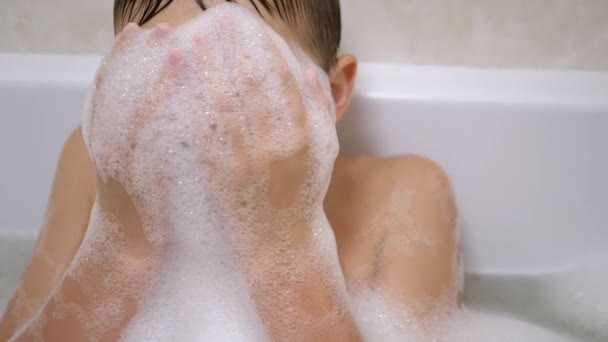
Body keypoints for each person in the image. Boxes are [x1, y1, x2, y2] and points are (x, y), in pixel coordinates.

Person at [0, 0, 462, 340]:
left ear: (335, 92)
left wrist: (282, 244)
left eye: (246, 81)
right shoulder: (91, 167)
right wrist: (121, 245)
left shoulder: (404, 196)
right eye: (162, 77)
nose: (200, 115)